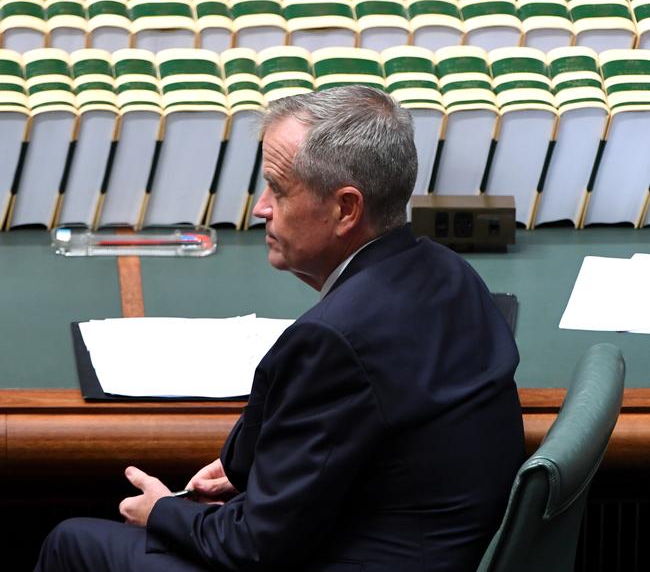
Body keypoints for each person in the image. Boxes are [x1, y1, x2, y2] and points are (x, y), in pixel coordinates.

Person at [35, 84, 524, 572]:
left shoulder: (332, 339)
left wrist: (163, 512)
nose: (260, 207)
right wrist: (240, 470)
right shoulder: (450, 274)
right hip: (422, 543)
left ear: (346, 209)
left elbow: (255, 548)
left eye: (279, 189)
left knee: (72, 543)